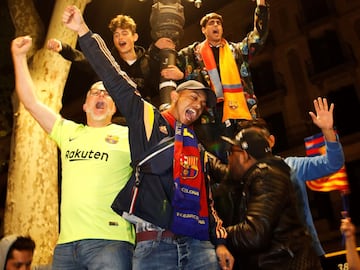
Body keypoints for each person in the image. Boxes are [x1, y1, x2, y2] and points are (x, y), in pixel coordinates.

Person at [62, 5, 234, 270]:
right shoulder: (148, 119)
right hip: (155, 247)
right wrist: (83, 31)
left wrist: (219, 242)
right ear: (175, 95)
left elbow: (206, 198)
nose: (199, 105)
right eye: (193, 97)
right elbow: (114, 77)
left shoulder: (195, 146)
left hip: (199, 246)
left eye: (202, 103)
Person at [11, 36, 135, 270]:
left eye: (107, 93)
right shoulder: (67, 131)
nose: (100, 96)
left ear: (115, 107)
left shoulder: (129, 135)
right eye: (94, 93)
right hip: (66, 247)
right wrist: (18, 57)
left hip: (111, 243)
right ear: (85, 105)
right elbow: (30, 102)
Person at [234, 97, 344, 261]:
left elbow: (333, 163)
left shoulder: (292, 166)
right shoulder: (241, 180)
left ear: (271, 141)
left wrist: (327, 130)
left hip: (307, 257)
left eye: (259, 139)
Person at [178, 0, 269, 160]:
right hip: (210, 117)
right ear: (204, 30)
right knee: (219, 161)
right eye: (211, 23)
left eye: (218, 23)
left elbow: (258, 37)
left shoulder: (237, 52)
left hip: (239, 115)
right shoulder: (191, 55)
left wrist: (261, 6)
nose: (216, 26)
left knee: (248, 157)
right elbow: (171, 61)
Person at [222, 128, 322, 269]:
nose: (228, 159)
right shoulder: (268, 174)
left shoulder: (265, 177)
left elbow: (254, 235)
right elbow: (224, 173)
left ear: (244, 155)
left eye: (231, 152)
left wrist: (218, 233)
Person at [47, 14, 183, 108]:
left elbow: (161, 81)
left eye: (124, 33)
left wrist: (179, 75)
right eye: (116, 35)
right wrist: (63, 48)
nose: (120, 38)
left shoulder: (148, 61)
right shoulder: (108, 62)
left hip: (142, 115)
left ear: (134, 37)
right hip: (115, 117)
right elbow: (86, 60)